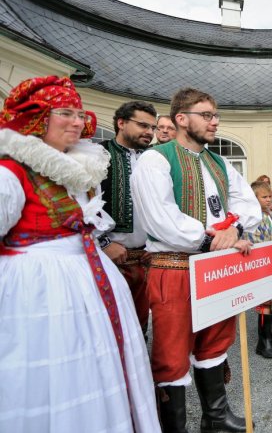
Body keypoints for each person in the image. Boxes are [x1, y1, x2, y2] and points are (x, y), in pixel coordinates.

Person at [0, 76, 160, 432]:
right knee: (53, 375)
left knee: (96, 370)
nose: (77, 121)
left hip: (89, 283)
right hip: (39, 296)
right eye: (65, 113)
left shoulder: (76, 171)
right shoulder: (10, 173)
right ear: (38, 118)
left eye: (79, 113)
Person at [131, 87, 261, 433]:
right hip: (174, 266)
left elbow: (248, 205)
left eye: (216, 115)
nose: (215, 121)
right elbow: (161, 218)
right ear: (181, 118)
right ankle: (174, 428)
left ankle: (215, 417)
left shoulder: (219, 162)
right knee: (172, 354)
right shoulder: (156, 159)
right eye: (207, 115)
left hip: (215, 266)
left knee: (216, 340)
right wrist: (211, 237)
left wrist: (232, 229)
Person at [98, 101, 158, 337]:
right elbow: (79, 205)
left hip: (147, 257)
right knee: (110, 327)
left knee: (141, 326)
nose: (150, 132)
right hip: (110, 258)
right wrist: (103, 243)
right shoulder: (98, 155)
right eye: (143, 125)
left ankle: (139, 372)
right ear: (121, 123)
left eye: (152, 127)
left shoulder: (155, 159)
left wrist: (157, 245)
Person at [242, 181, 272, 359]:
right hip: (262, 265)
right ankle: (263, 342)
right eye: (264, 197)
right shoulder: (251, 219)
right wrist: (271, 258)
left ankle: (268, 334)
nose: (269, 199)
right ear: (254, 199)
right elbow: (254, 243)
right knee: (265, 302)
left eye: (270, 196)